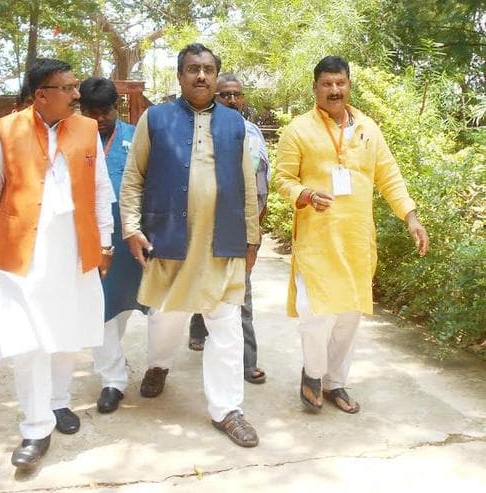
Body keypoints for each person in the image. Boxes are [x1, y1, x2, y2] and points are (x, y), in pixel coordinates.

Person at [0, 58, 116, 470]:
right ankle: (34, 427)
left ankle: (58, 401)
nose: (77, 94)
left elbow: (101, 190)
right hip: (20, 253)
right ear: (41, 95)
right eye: (67, 88)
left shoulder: (86, 129)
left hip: (74, 250)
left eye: (76, 86)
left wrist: (106, 243)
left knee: (67, 332)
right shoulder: (5, 130)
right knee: (27, 341)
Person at [120, 43, 261, 448]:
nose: (201, 75)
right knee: (165, 316)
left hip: (222, 240)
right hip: (169, 236)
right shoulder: (155, 119)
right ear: (180, 75)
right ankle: (159, 364)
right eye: (193, 69)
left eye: (208, 69)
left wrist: (252, 237)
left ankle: (227, 409)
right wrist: (131, 227)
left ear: (216, 76)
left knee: (226, 326)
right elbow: (134, 177)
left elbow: (247, 184)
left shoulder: (235, 124)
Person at [274, 55, 429, 414]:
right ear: (315, 88)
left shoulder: (368, 129)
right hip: (316, 239)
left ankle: (335, 382)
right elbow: (283, 178)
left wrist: (411, 216)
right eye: (327, 84)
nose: (334, 90)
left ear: (349, 85)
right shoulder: (298, 129)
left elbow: (389, 176)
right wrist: (306, 194)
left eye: (340, 83)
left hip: (356, 239)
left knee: (348, 316)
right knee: (316, 313)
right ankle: (313, 374)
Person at [188, 73, 270, 385]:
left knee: (241, 294)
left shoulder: (253, 133)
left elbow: (262, 181)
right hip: (204, 225)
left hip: (241, 226)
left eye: (237, 94)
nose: (232, 100)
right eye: (225, 95)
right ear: (214, 97)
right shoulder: (199, 132)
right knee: (201, 281)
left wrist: (256, 228)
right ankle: (198, 325)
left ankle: (247, 361)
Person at [79, 77, 146, 414]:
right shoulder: (73, 139)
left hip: (132, 236)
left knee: (128, 305)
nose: (99, 119)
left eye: (104, 111)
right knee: (99, 308)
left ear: (115, 108)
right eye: (91, 112)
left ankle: (147, 365)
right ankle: (112, 380)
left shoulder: (136, 136)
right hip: (91, 237)